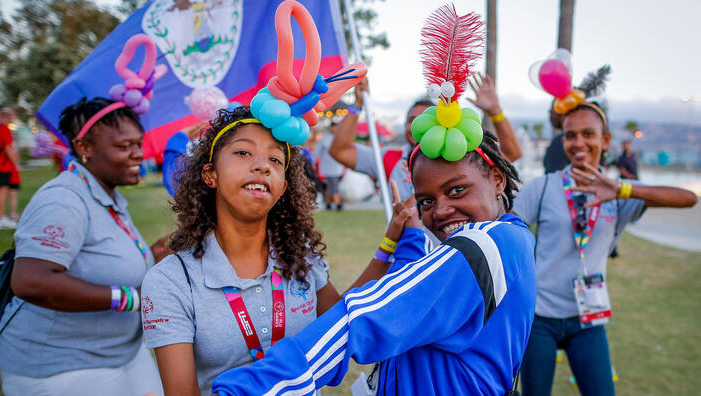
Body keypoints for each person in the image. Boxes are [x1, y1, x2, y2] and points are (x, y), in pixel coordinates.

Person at [211, 125, 536, 395]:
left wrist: (251, 388)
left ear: (498, 179)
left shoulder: (489, 244)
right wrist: (406, 233)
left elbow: (365, 317)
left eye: (456, 190)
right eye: (426, 200)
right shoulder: (503, 243)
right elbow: (410, 285)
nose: (440, 211)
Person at [140, 107, 422, 395]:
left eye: (275, 159)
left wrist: (389, 243)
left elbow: (341, 320)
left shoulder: (300, 256)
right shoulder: (171, 281)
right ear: (210, 174)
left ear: (282, 188)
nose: (262, 166)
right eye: (243, 153)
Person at [513, 102, 697, 396]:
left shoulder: (620, 191)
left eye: (588, 134)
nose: (579, 142)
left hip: (588, 319)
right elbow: (503, 223)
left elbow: (687, 198)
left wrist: (622, 189)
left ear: (605, 140)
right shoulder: (544, 187)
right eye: (571, 135)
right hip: (539, 318)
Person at [0, 97, 168, 396]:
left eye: (138, 144)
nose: (138, 154)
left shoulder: (105, 192)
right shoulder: (64, 199)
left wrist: (157, 253)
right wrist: (132, 298)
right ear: (84, 148)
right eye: (124, 146)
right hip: (62, 367)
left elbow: (102, 261)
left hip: (121, 353)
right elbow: (32, 281)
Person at [328, 74, 522, 202]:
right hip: (407, 257)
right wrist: (357, 105)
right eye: (412, 120)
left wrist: (495, 112)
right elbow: (340, 150)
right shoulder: (389, 158)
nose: (418, 126)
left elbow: (511, 154)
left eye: (425, 119)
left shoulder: (459, 157)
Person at [314, 123, 345, 210]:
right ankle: (338, 203)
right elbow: (317, 151)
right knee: (333, 185)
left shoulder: (339, 137)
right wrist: (312, 161)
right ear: (331, 128)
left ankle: (328, 203)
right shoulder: (325, 138)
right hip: (328, 166)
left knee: (331, 185)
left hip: (338, 166)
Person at [0, 108, 19, 228]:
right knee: (2, 192)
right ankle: (0, 218)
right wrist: (14, 161)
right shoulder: (4, 130)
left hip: (0, 165)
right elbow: (7, 148)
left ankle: (1, 216)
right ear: (9, 117)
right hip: (3, 166)